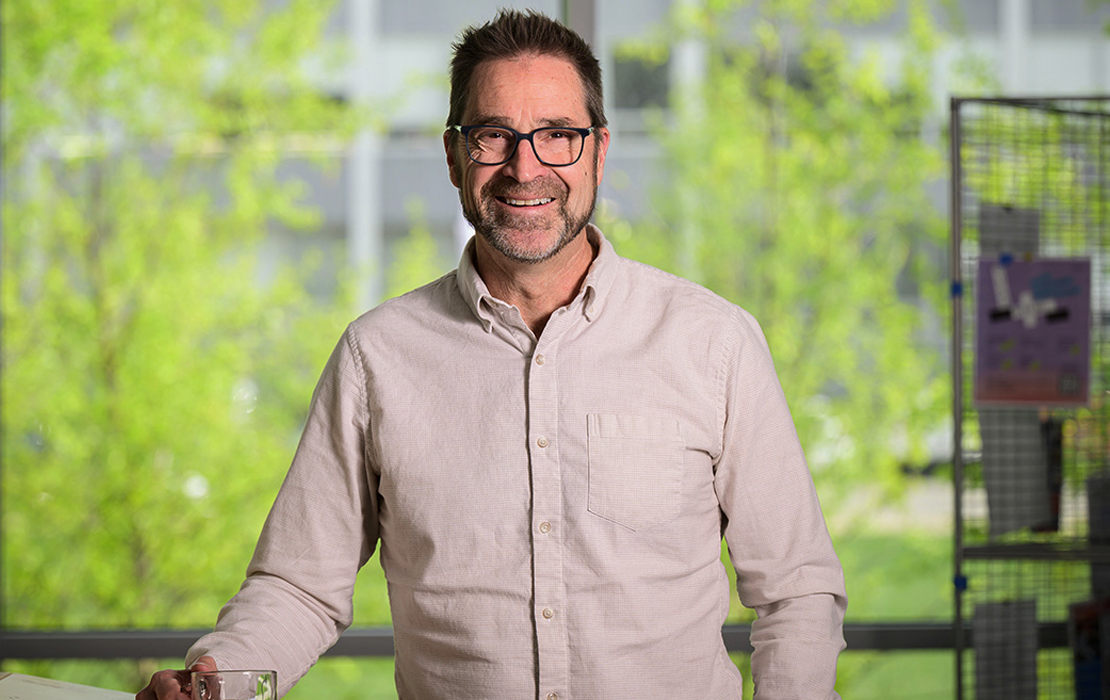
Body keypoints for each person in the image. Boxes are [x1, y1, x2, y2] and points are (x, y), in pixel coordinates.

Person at [138, 9, 846, 700]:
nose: (524, 167)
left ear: (599, 151)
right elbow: (298, 587)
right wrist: (216, 683)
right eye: (493, 136)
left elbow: (797, 591)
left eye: (557, 135)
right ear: (453, 156)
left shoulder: (713, 342)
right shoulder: (376, 357)